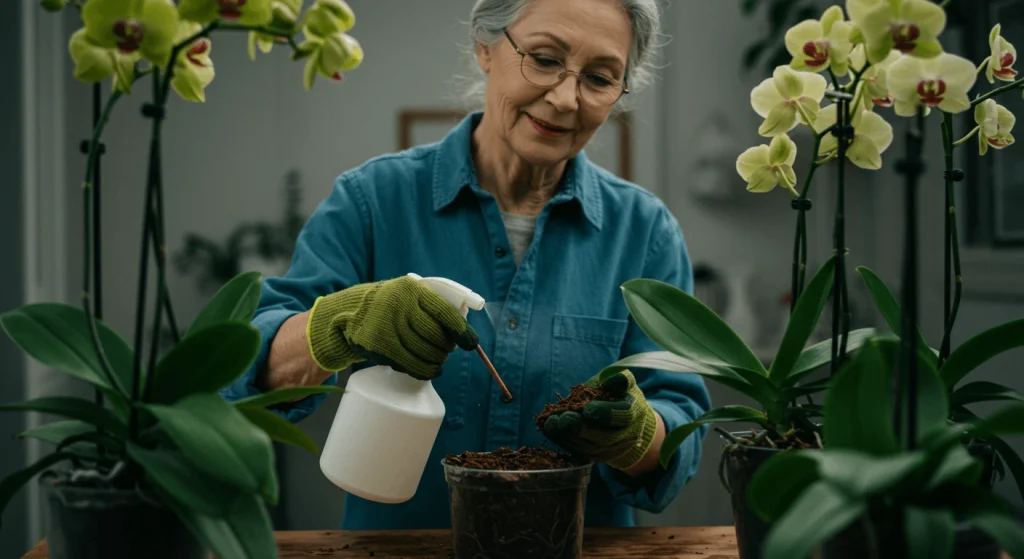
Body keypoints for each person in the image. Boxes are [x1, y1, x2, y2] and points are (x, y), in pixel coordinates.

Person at [220, 0, 711, 530]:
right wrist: (339, 323)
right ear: (485, 46)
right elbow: (246, 367)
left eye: (599, 78)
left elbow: (679, 440)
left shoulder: (646, 234)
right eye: (544, 60)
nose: (566, 99)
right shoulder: (372, 201)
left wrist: (637, 434)